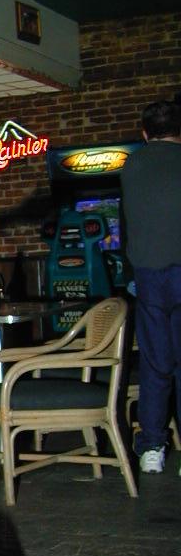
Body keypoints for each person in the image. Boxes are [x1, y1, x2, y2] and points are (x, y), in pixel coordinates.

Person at [120, 99, 181, 475]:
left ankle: (152, 447)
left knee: (156, 365)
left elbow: (126, 222)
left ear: (145, 133)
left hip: (148, 275)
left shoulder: (132, 165)